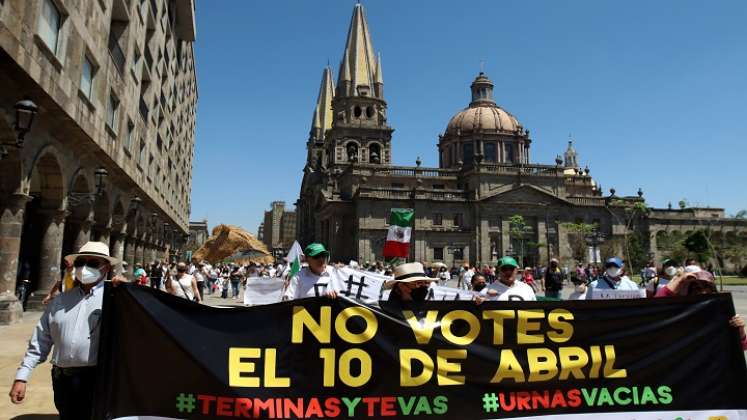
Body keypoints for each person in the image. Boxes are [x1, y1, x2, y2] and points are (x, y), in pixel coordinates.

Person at [9, 242, 126, 420]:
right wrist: (22, 377)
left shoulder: (116, 298)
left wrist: (128, 292)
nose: (84, 268)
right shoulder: (60, 301)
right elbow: (41, 340)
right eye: (80, 263)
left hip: (95, 381)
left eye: (93, 263)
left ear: (106, 267)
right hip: (62, 380)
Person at [655, 270, 747, 350]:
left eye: (707, 287)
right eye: (697, 288)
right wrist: (680, 280)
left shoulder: (721, 312)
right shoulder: (680, 313)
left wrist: (740, 330)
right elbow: (656, 306)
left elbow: (742, 346)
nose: (702, 292)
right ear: (689, 292)